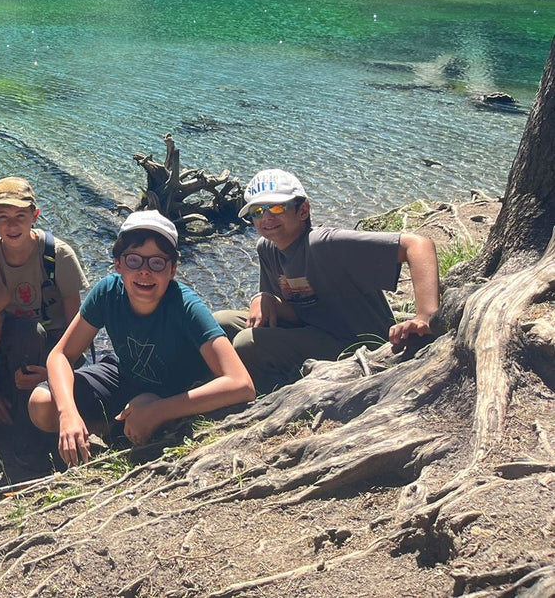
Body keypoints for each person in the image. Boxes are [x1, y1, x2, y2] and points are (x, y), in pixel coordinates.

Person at [31, 211, 254, 465]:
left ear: (172, 269)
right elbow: (61, 354)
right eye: (134, 260)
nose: (145, 272)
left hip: (171, 394)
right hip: (123, 375)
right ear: (118, 264)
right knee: (42, 403)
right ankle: (107, 429)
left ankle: (129, 428)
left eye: (157, 262)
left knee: (145, 406)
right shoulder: (108, 291)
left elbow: (241, 383)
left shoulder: (185, 305)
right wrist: (68, 413)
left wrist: (158, 411)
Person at [213, 168, 441, 394]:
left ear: (303, 210)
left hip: (358, 342)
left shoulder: (323, 243)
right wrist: (263, 297)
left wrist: (425, 316)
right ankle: (219, 384)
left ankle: (262, 395)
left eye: (277, 207)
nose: (266, 217)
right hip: (312, 328)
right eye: (257, 211)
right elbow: (291, 310)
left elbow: (417, 244)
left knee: (247, 342)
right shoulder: (267, 248)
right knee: (220, 321)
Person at [0, 177, 92, 460]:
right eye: (3, 217)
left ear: (34, 216)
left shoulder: (58, 255)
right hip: (11, 347)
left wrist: (55, 371)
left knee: (33, 332)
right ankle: (22, 428)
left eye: (20, 216)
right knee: (27, 331)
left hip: (57, 350)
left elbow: (79, 326)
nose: (12, 225)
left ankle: (32, 437)